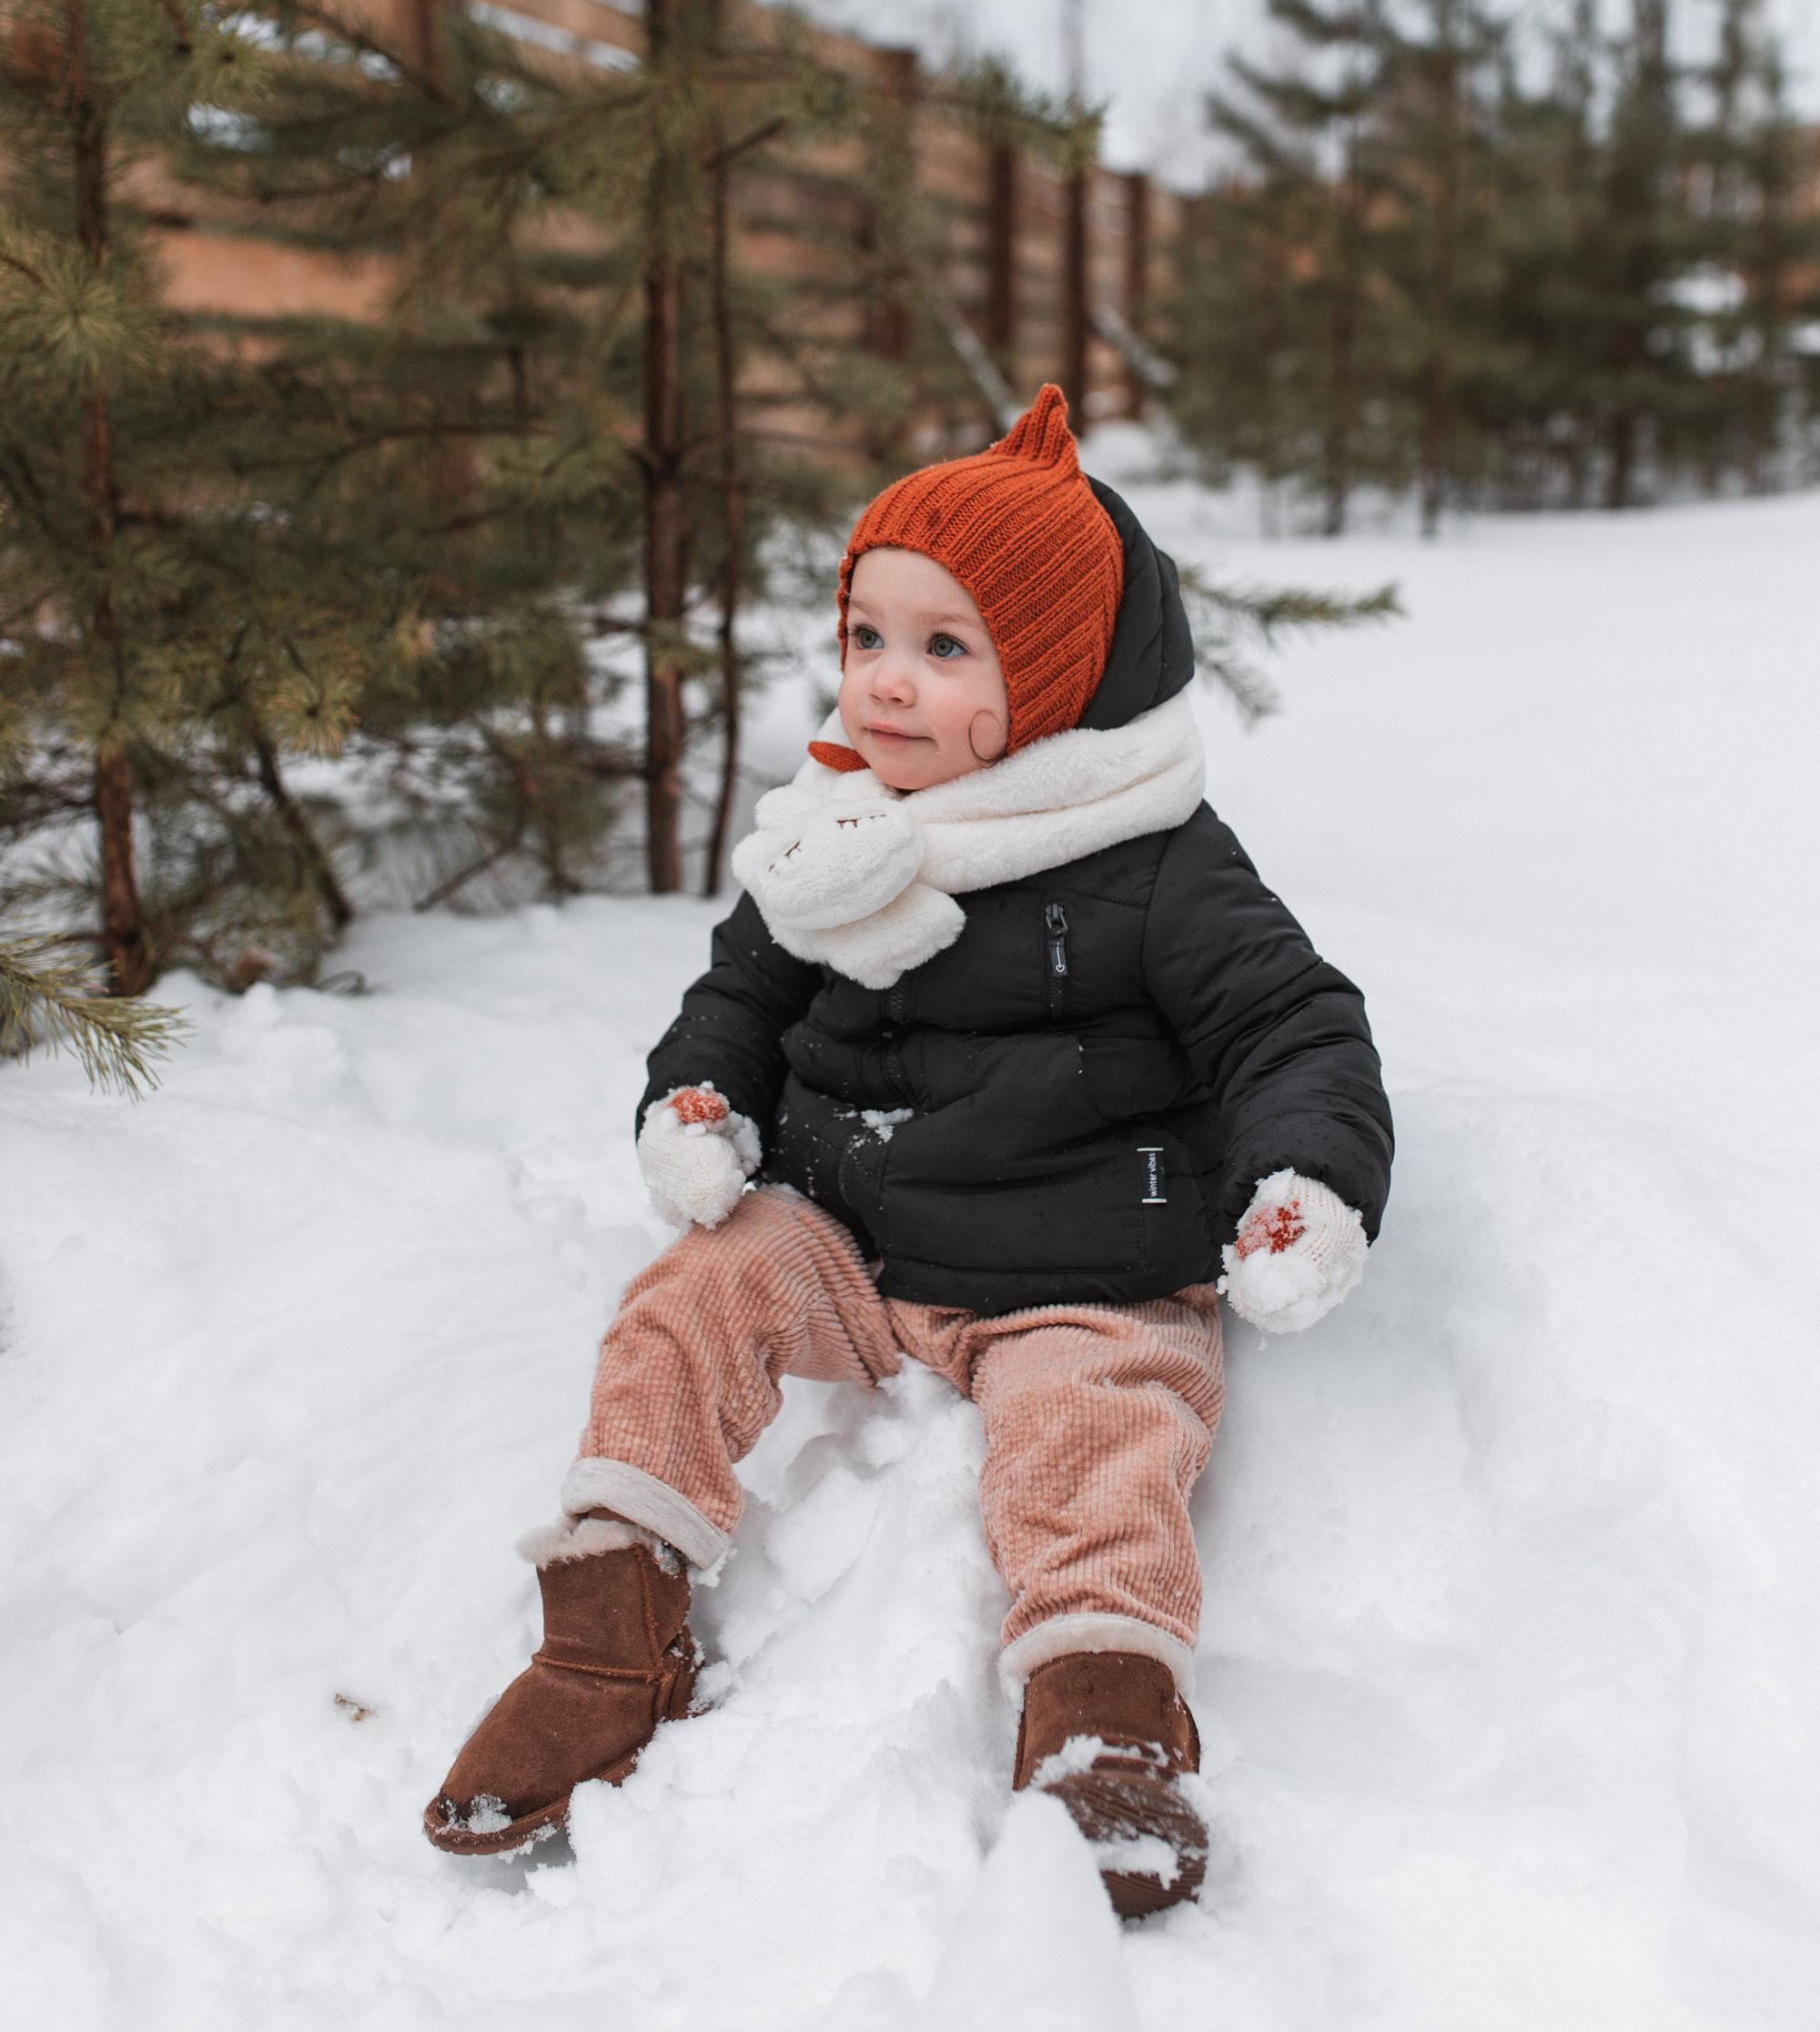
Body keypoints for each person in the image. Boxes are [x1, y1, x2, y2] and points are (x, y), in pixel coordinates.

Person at [423, 386, 1393, 1919]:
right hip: (853, 1240)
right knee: (685, 1301)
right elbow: (740, 996)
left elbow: (1294, 1027)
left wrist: (1304, 1183)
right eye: (867, 637)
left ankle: (1105, 1714)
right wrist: (703, 1105)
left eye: (947, 650)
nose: (885, 685)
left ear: (1058, 673)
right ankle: (609, 1630)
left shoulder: (1152, 860)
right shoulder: (834, 832)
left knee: (1101, 1434)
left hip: (1082, 1259)